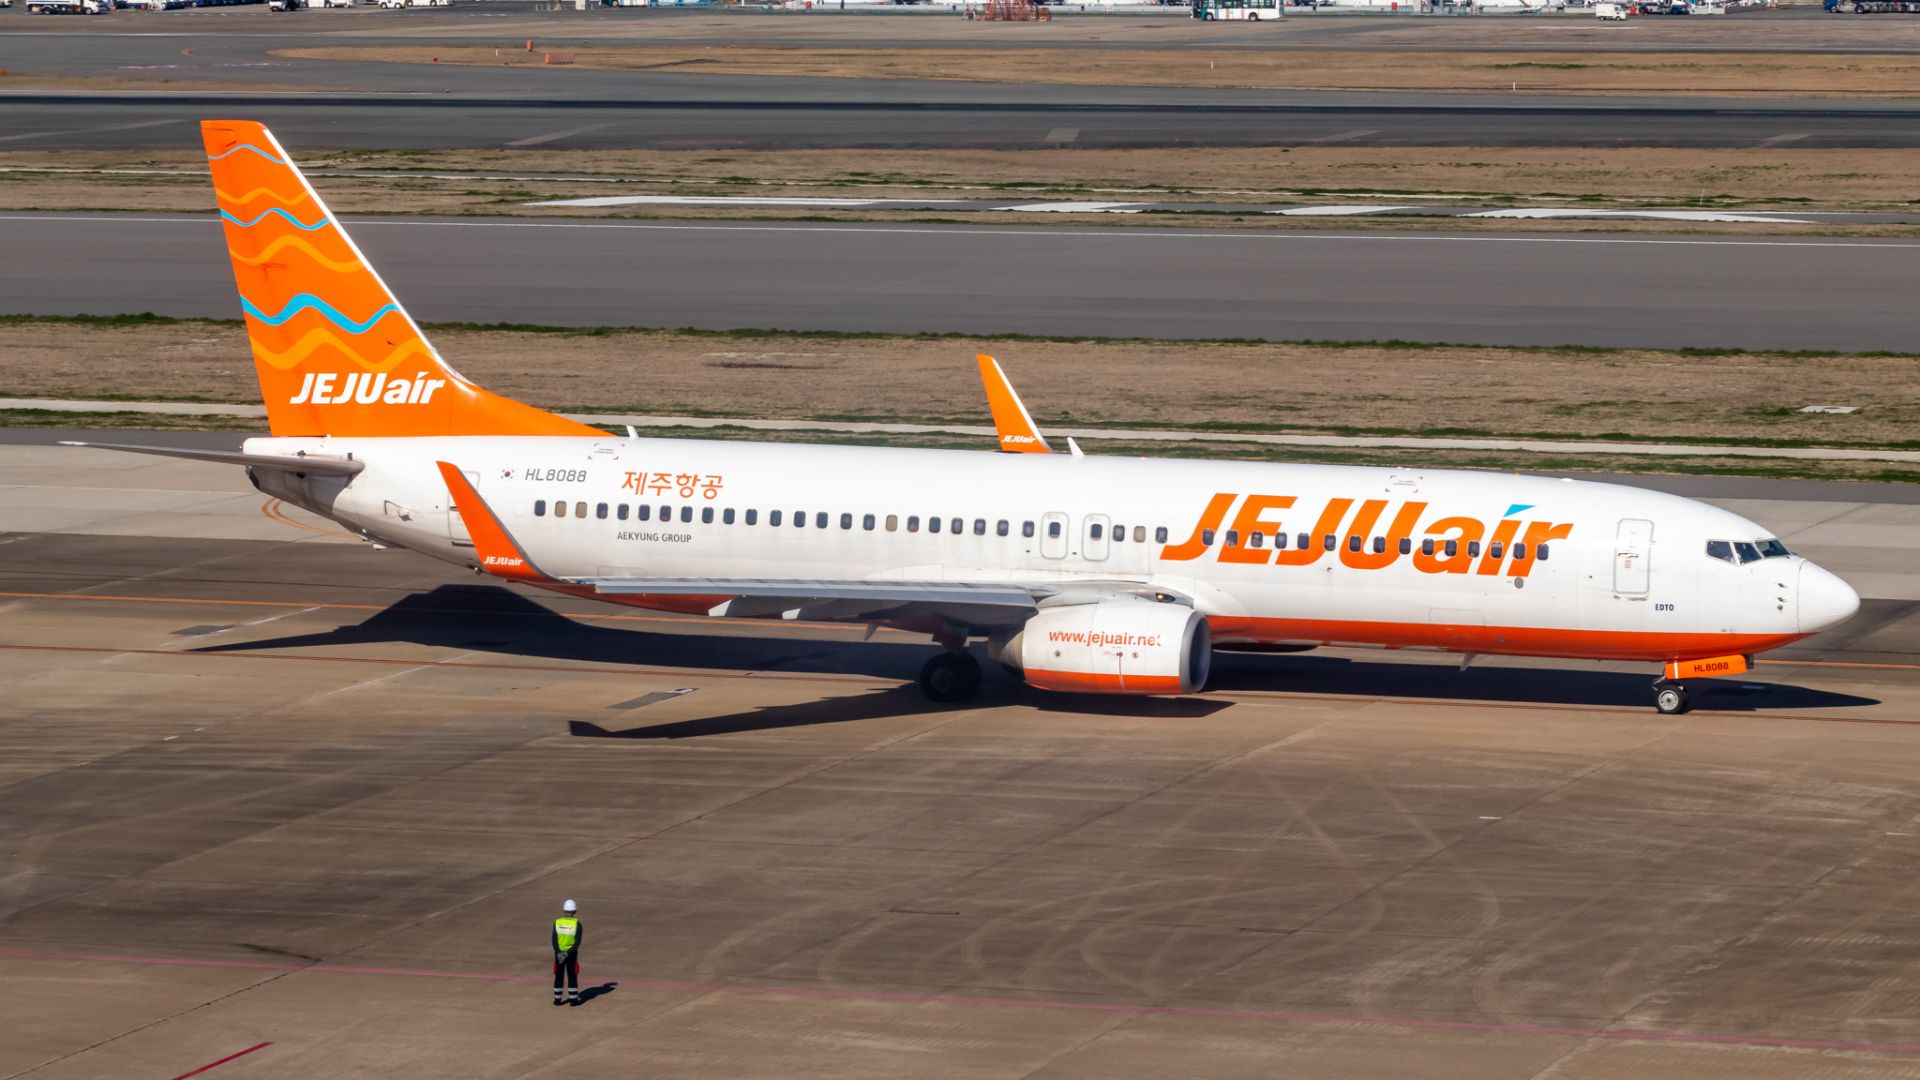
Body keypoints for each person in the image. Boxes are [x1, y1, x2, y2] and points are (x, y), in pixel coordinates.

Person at [552, 899, 582, 1006]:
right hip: (571, 954)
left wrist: (559, 952)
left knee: (558, 975)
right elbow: (577, 943)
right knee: (572, 975)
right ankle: (573, 1000)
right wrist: (568, 953)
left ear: (564, 910)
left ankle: (557, 999)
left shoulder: (557, 922)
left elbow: (554, 941)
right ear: (575, 911)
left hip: (559, 953)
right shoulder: (577, 924)